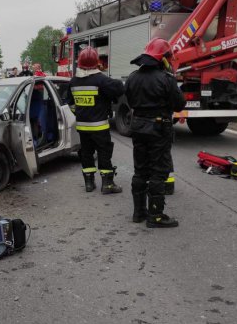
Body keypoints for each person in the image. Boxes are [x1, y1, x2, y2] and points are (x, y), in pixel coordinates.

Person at [125, 38, 186, 228]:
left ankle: (139, 213)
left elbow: (129, 99)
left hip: (138, 127)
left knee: (140, 170)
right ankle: (156, 216)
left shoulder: (132, 77)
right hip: (159, 129)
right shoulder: (166, 79)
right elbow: (179, 104)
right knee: (159, 172)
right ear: (163, 58)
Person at [66, 47, 124, 194]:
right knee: (104, 153)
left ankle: (89, 184)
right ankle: (107, 185)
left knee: (86, 153)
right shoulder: (101, 79)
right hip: (99, 127)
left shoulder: (73, 82)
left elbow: (70, 103)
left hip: (83, 127)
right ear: (96, 63)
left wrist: (80, 114)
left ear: (79, 63)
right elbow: (119, 88)